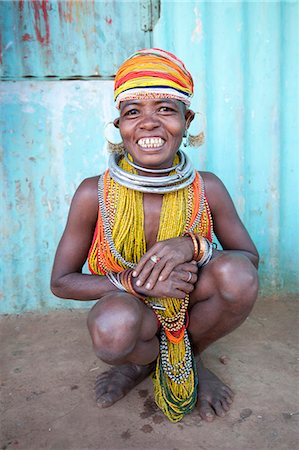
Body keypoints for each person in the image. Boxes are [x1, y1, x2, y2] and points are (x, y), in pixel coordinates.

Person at [51, 48, 259, 423]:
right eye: (133, 112)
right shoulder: (92, 193)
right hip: (132, 307)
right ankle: (137, 363)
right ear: (118, 126)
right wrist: (137, 284)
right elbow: (62, 283)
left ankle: (189, 357)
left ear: (187, 119)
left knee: (239, 275)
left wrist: (192, 245)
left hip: (189, 300)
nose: (148, 123)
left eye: (165, 109)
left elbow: (249, 258)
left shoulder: (206, 187)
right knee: (112, 330)